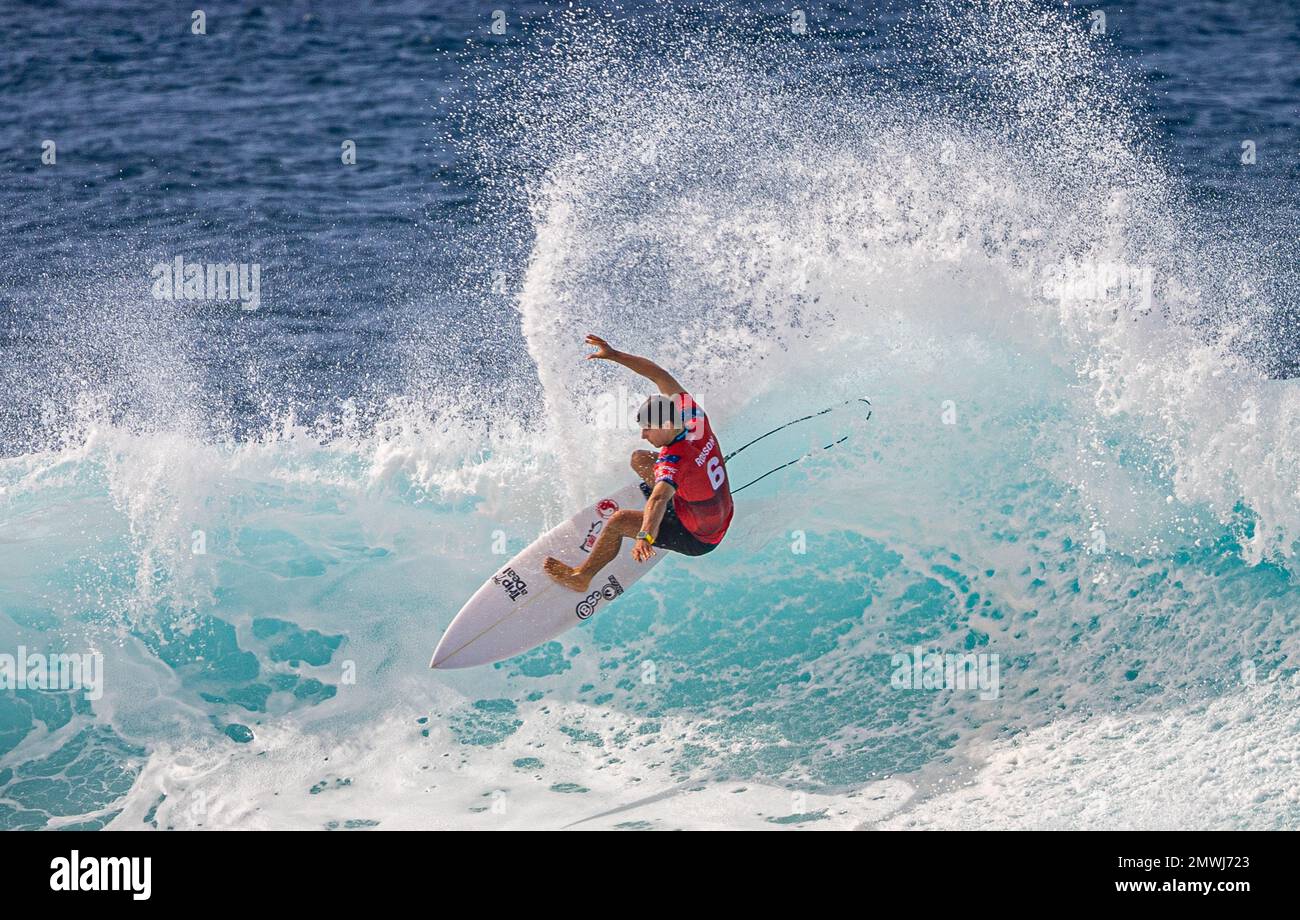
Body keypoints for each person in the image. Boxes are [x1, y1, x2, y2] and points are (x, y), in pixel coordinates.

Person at [542, 334, 734, 592]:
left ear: (666, 424)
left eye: (648, 429)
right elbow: (658, 374)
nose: (644, 434)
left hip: (701, 537)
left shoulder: (672, 461)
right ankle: (675, 504)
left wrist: (645, 536)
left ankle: (581, 577)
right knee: (639, 458)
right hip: (718, 510)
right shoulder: (694, 418)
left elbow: (657, 500)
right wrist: (614, 355)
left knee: (619, 521)